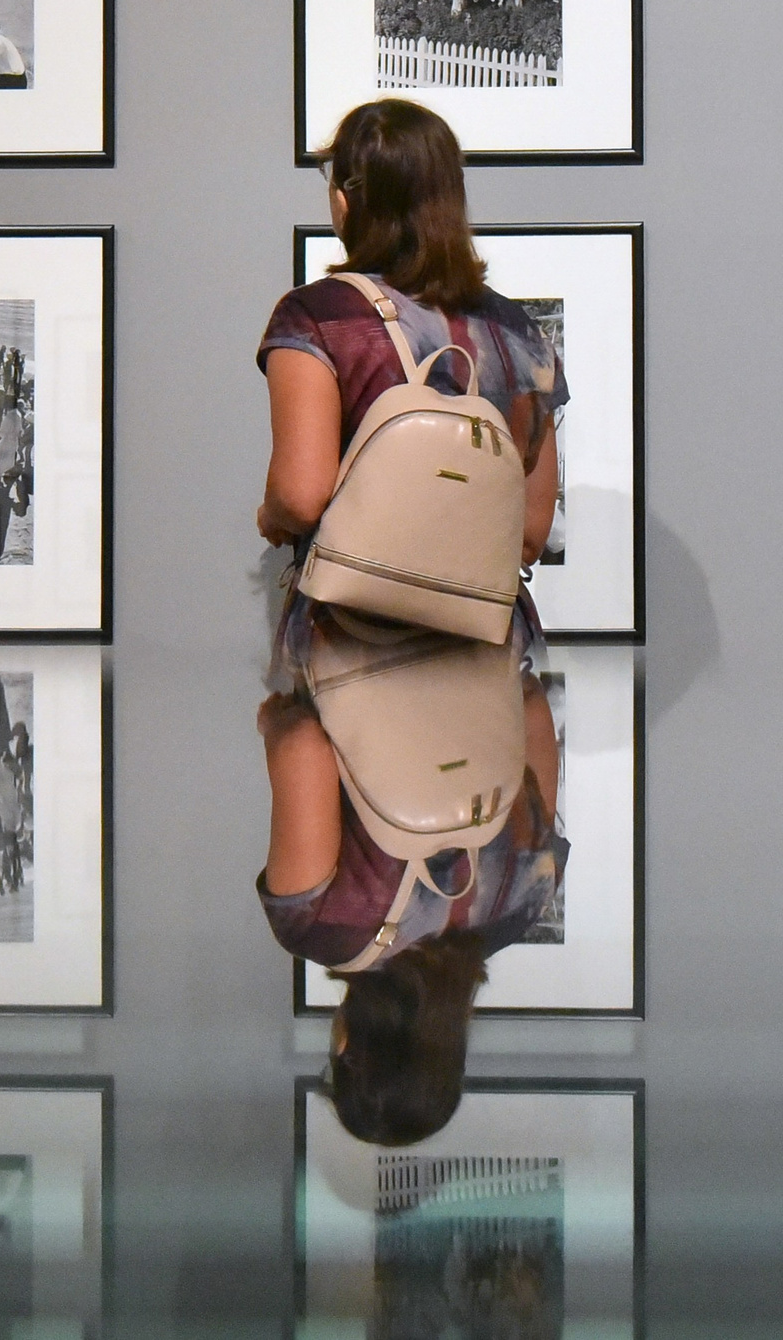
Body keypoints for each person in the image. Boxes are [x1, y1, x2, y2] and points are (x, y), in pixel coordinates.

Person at [254, 98, 568, 1147]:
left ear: (347, 197)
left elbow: (299, 496)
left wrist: (269, 526)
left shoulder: (319, 319)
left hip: (346, 652)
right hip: (486, 652)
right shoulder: (514, 332)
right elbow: (529, 529)